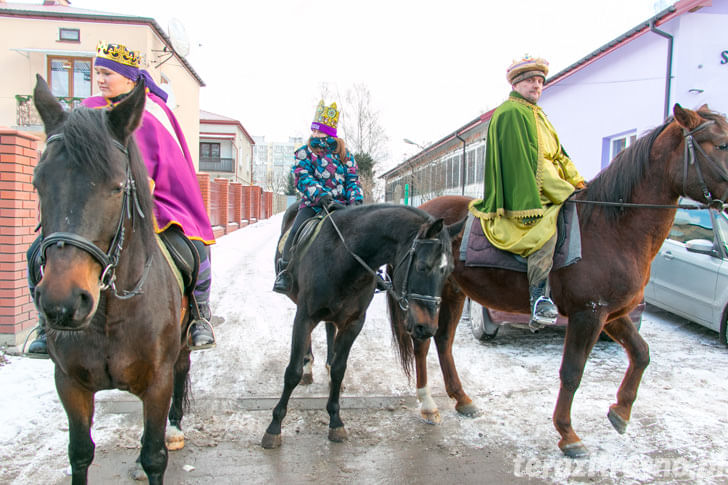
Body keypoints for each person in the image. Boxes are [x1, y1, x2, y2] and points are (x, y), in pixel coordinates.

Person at [26, 41, 216, 356]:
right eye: (97, 72)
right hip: (96, 203)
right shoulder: (87, 110)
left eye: (107, 73)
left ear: (128, 78)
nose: (100, 79)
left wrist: (142, 187)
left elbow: (168, 162)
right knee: (37, 251)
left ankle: (198, 313)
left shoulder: (152, 112)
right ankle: (45, 323)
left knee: (193, 249)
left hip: (153, 202)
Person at [469, 56, 586, 327]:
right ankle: (537, 298)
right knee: (546, 232)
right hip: (526, 196)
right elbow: (531, 167)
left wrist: (579, 183)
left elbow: (559, 157)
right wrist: (565, 191)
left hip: (550, 187)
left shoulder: (539, 115)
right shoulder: (511, 113)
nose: (537, 86)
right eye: (532, 80)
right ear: (518, 83)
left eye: (540, 81)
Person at [272, 100, 364, 293]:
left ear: (330, 133)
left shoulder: (346, 155)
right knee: (295, 232)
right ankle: (285, 271)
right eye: (313, 131)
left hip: (343, 208)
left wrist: (355, 200)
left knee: (363, 236)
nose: (314, 135)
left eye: (319, 132)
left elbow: (352, 180)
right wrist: (321, 195)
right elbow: (302, 176)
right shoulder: (304, 152)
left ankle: (367, 274)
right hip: (314, 205)